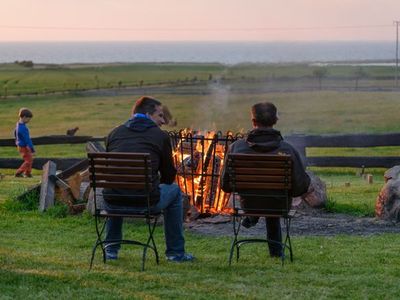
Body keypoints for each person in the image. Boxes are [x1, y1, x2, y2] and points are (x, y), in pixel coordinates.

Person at [103, 96, 194, 262]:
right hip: (145, 201)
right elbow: (168, 177)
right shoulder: (159, 136)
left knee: (118, 188)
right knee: (174, 191)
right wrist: (155, 181)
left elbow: (113, 171)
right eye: (160, 115)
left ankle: (111, 249)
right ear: (147, 114)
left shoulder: (114, 133)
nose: (163, 120)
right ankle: (175, 253)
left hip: (112, 200)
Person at [221, 102, 310, 257]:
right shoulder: (287, 149)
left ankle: (252, 217)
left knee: (261, 197)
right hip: (279, 205)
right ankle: (276, 253)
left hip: (248, 204)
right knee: (272, 199)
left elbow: (225, 185)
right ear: (275, 120)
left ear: (253, 121)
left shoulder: (236, 147)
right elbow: (299, 188)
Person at [14, 108, 35, 178]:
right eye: (28, 119)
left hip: (20, 145)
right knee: (28, 161)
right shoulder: (23, 128)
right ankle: (19, 172)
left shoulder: (18, 125)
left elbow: (15, 134)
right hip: (24, 147)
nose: (29, 121)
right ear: (24, 117)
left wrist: (17, 142)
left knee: (30, 159)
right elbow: (27, 139)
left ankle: (28, 173)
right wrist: (32, 149)